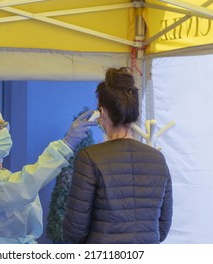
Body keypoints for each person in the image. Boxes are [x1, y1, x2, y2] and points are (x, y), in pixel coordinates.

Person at [0, 107, 96, 244]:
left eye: (3, 126)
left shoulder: (3, 176)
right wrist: (66, 144)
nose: (2, 132)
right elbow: (23, 188)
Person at [63, 67, 173, 244]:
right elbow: (163, 225)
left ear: (102, 112)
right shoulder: (157, 159)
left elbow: (74, 230)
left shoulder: (90, 157)